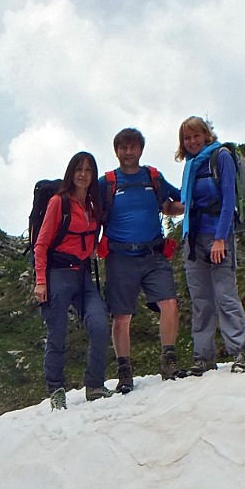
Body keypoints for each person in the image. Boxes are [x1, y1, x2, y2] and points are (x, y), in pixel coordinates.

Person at [101, 128, 186, 392]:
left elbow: (170, 203)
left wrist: (194, 205)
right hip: (120, 256)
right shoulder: (107, 183)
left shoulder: (153, 176)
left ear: (140, 149)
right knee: (122, 316)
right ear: (116, 151)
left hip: (153, 253)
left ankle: (168, 360)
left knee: (169, 302)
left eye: (133, 147)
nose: (128, 152)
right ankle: (124, 370)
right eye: (123, 148)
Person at [33, 151, 111, 410]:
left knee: (99, 323)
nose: (83, 175)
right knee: (57, 334)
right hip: (57, 274)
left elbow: (93, 242)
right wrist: (41, 281)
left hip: (82, 275)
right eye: (79, 169)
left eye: (89, 170)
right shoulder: (59, 202)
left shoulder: (92, 207)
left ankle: (95, 385)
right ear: (71, 172)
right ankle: (56, 390)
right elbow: (41, 244)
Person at [177, 116, 245, 375]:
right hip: (193, 240)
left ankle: (240, 352)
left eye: (196, 136)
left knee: (225, 295)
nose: (192, 141)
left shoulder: (220, 157)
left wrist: (221, 238)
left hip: (217, 237)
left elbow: (229, 197)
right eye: (187, 138)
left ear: (206, 135)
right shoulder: (191, 165)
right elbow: (185, 202)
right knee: (201, 300)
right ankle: (203, 357)